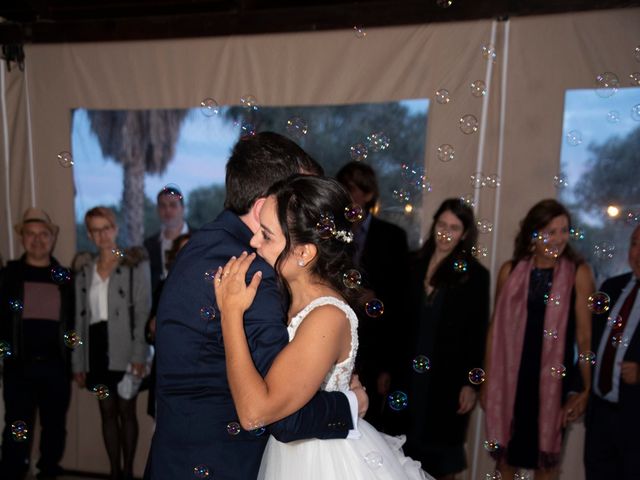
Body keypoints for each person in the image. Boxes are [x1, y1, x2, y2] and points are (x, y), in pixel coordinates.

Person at [145, 132, 366, 480]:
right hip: (225, 464)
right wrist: (350, 404)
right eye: (299, 189)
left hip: (177, 457)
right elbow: (284, 417)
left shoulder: (204, 242)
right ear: (266, 201)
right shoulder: (253, 273)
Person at [214, 174, 432, 479]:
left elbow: (253, 413)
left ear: (305, 253)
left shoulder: (326, 316)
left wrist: (230, 313)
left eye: (266, 235)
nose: (253, 242)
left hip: (320, 463)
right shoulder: (282, 296)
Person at [482, 199, 595, 480]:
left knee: (547, 466)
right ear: (534, 233)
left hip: (554, 384)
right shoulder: (510, 271)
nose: (558, 238)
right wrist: (486, 382)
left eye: (564, 230)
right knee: (506, 461)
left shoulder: (578, 274)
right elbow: (494, 331)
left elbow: (584, 336)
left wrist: (587, 389)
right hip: (511, 383)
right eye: (550, 231)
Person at [403, 198, 490, 479]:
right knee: (402, 458)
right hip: (408, 374)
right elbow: (397, 324)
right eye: (441, 224)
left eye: (454, 228)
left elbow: (478, 332)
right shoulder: (412, 263)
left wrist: (470, 383)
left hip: (447, 379)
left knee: (440, 461)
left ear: (464, 234)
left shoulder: (475, 276)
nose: (445, 233)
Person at [72, 206, 151, 480]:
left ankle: (128, 471)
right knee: (106, 411)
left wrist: (139, 354)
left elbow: (143, 311)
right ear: (90, 236)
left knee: (126, 410)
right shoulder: (84, 272)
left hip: (125, 348)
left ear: (115, 229)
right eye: (95, 230)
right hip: (96, 349)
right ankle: (114, 472)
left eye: (106, 227)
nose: (102, 235)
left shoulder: (134, 266)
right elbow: (79, 321)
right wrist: (78, 361)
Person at [336, 161, 410, 432]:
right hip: (337, 338)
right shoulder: (332, 236)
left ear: (367, 194)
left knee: (372, 425)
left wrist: (377, 298)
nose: (346, 195)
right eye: (342, 188)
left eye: (352, 189)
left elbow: (403, 299)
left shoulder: (392, 237)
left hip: (377, 345)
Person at [0, 208, 74, 480]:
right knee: (16, 428)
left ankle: (48, 472)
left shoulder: (65, 277)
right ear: (22, 238)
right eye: (31, 234)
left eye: (43, 234)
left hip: (56, 368)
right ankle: (11, 472)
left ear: (52, 239)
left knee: (55, 428)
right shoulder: (9, 276)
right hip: (19, 367)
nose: (38, 240)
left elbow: (74, 322)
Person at [584, 224, 640, 479]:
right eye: (635, 244)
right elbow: (592, 346)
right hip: (600, 419)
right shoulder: (611, 287)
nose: (637, 253)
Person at [144, 232, 191, 419]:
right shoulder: (164, 287)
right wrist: (151, 328)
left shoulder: (215, 290)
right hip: (167, 374)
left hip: (197, 378)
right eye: (182, 251)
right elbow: (147, 335)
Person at [144, 185, 189, 293]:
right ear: (157, 210)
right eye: (163, 206)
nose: (167, 210)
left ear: (183, 208)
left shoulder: (199, 239)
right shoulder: (148, 245)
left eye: (173, 205)